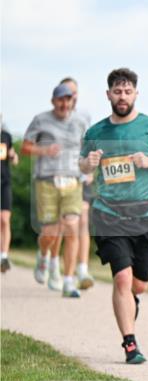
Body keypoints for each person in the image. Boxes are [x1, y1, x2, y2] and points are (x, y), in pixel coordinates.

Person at [79, 68, 148, 364]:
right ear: (108, 94)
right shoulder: (96, 132)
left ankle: (130, 301)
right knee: (122, 279)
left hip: (147, 214)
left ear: (135, 94)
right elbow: (83, 168)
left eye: (127, 91)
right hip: (108, 214)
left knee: (138, 285)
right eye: (117, 91)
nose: (122, 97)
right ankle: (130, 344)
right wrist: (89, 161)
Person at [21, 83, 90, 297]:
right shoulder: (41, 120)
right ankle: (43, 256)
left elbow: (86, 147)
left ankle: (68, 281)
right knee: (50, 233)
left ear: (72, 101)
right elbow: (25, 147)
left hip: (72, 181)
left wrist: (88, 168)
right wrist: (44, 150)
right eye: (60, 99)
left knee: (71, 226)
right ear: (53, 101)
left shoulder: (80, 122)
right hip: (47, 181)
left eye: (68, 99)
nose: (64, 103)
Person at [60, 77, 96, 289]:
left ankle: (82, 270)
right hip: (59, 179)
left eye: (74, 92)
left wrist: (89, 170)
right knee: (62, 227)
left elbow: (89, 143)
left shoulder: (84, 117)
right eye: (67, 92)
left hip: (81, 177)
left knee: (82, 221)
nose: (71, 96)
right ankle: (53, 260)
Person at [0, 119, 19, 273]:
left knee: (5, 220)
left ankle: (4, 257)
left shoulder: (6, 136)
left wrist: (13, 157)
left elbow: (13, 155)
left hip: (4, 182)